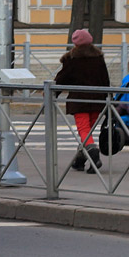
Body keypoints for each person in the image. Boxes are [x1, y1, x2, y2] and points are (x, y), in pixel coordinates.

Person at [54, 28, 111, 173]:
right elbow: (105, 79)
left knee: (84, 130)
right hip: (97, 100)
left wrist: (53, 93)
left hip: (79, 101)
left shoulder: (72, 59)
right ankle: (79, 160)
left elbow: (62, 79)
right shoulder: (98, 57)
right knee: (88, 131)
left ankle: (93, 155)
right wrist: (108, 98)